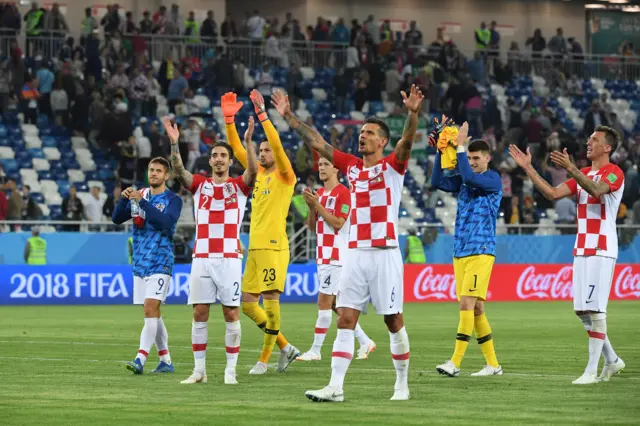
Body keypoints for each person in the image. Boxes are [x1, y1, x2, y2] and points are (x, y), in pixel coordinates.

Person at [271, 85, 424, 402]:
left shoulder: (393, 167)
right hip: (355, 253)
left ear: (382, 141)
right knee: (345, 317)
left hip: (385, 254)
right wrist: (288, 116)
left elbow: (407, 141)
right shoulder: (352, 167)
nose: (363, 136)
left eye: (369, 133)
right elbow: (317, 142)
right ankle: (335, 387)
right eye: (362, 132)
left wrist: (412, 114)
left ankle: (401, 385)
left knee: (393, 320)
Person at [509, 125, 626, 385]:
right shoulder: (584, 172)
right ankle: (613, 360)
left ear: (607, 148)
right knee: (582, 311)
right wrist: (528, 168)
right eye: (589, 138)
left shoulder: (614, 172)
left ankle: (590, 372)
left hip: (602, 248)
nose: (588, 142)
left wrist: (571, 168)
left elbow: (597, 191)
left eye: (594, 140)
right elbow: (551, 193)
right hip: (582, 247)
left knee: (596, 311)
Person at [165, 112, 257, 386]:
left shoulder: (239, 187)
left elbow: (253, 172)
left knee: (231, 313)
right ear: (210, 160)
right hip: (201, 258)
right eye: (214, 155)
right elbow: (179, 172)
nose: (218, 159)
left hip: (229, 257)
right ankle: (199, 371)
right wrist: (174, 144)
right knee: (199, 313)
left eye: (222, 156)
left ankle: (231, 370)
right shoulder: (200, 185)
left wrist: (248, 143)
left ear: (230, 161)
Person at [222, 90, 300, 374]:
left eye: (267, 150)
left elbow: (278, 147)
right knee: (246, 305)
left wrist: (263, 115)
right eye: (262, 150)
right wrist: (229, 121)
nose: (264, 153)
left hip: (273, 246)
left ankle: (264, 360)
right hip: (254, 247)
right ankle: (285, 347)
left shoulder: (285, 175)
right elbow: (238, 150)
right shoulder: (258, 175)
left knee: (270, 302)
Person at [430, 122, 504, 377]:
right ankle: (493, 365)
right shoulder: (464, 179)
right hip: (460, 250)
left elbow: (471, 178)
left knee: (466, 304)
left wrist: (459, 146)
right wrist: (441, 151)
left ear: (487, 158)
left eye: (476, 157)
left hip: (481, 249)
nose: (471, 162)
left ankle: (455, 362)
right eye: (469, 157)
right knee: (477, 309)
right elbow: (436, 181)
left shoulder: (492, 179)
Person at [296, 156, 376, 362]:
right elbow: (312, 226)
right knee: (337, 306)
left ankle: (315, 350)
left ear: (336, 169)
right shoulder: (320, 193)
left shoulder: (344, 193)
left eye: (326, 165)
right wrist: (312, 207)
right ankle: (365, 341)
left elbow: (339, 223)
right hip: (323, 255)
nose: (321, 168)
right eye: (320, 164)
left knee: (323, 302)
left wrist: (319, 206)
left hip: (337, 256)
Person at [112, 157, 183, 375]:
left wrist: (141, 202)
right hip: (140, 262)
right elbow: (117, 219)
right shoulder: (138, 195)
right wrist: (124, 200)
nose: (153, 174)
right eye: (151, 170)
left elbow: (165, 223)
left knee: (150, 308)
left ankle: (140, 358)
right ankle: (166, 360)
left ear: (166, 176)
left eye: (158, 171)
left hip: (161, 260)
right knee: (154, 312)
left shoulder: (173, 199)